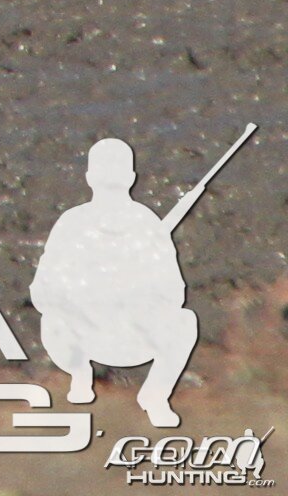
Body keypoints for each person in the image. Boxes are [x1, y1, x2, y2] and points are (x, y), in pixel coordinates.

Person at [39, 137, 202, 430]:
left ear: (90, 177)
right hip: (83, 335)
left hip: (133, 336)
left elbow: (173, 294)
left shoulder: (146, 224)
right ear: (132, 177)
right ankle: (80, 374)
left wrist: (134, 293)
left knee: (184, 322)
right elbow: (44, 292)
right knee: (53, 320)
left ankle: (155, 395)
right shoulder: (73, 223)